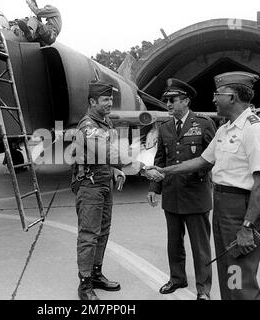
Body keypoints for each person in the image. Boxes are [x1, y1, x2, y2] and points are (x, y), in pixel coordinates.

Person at [155, 71, 260, 300]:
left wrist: (247, 226)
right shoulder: (225, 129)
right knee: (229, 268)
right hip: (223, 206)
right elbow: (203, 160)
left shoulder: (254, 129)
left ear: (232, 97)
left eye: (216, 94)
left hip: (241, 209)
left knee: (240, 272)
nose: (213, 100)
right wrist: (165, 170)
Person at [72, 80, 163, 300]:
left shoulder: (105, 123)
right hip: (90, 186)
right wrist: (141, 168)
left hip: (104, 183)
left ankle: (96, 274)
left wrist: (116, 170)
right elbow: (107, 152)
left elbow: (109, 156)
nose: (110, 103)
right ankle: (84, 285)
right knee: (88, 235)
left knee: (103, 231)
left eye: (110, 99)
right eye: (105, 100)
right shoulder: (88, 126)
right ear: (92, 101)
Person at [147, 79, 216, 300]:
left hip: (196, 194)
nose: (168, 103)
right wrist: (154, 187)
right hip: (172, 194)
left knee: (200, 246)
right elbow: (161, 159)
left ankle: (203, 289)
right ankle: (177, 278)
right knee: (174, 243)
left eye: (172, 99)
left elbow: (214, 157)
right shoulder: (165, 127)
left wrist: (199, 173)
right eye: (166, 100)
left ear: (185, 101)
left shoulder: (203, 123)